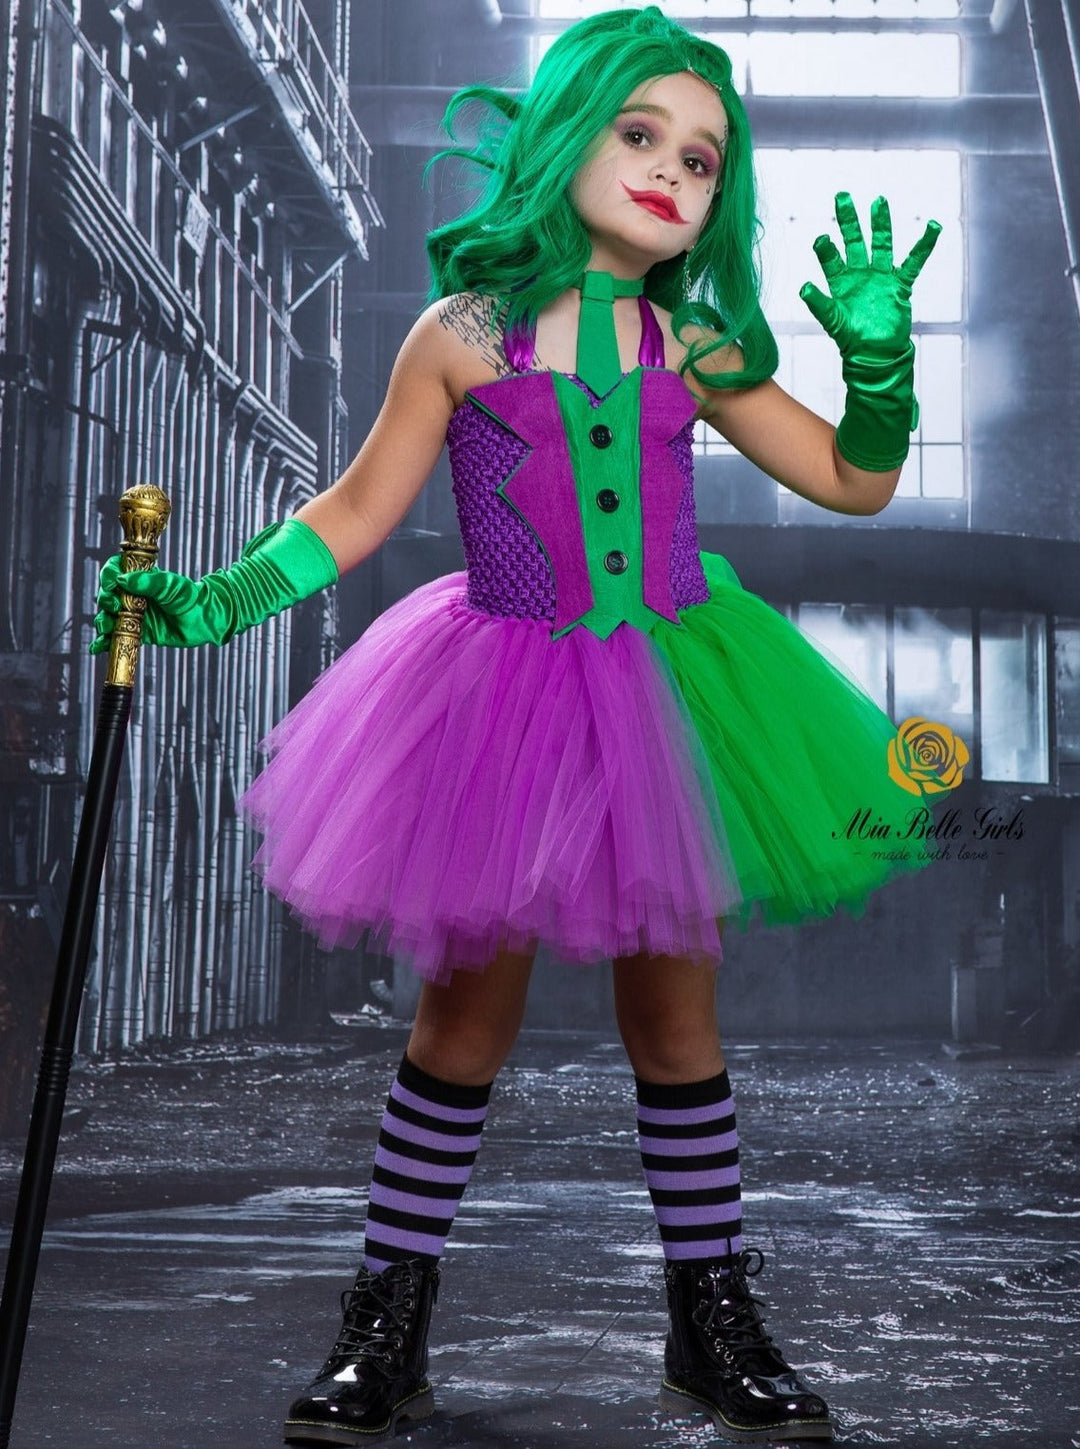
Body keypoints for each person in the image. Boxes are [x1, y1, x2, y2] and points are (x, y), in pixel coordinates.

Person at [92, 7, 943, 1444]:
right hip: (498, 700)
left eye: (704, 159)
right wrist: (216, 600)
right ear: (565, 136)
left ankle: (711, 1322)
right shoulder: (464, 335)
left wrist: (880, 370)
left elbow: (854, 481)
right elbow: (354, 511)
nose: (672, 170)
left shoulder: (696, 341)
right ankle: (386, 1325)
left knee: (677, 1022)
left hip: (675, 698)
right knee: (459, 1021)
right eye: (641, 133)